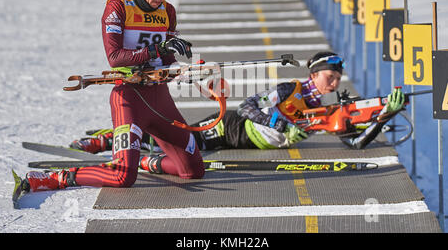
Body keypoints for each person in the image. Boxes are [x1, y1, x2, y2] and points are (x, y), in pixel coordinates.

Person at [17, 0, 205, 194]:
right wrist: (158, 48)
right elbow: (115, 57)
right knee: (123, 177)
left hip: (160, 101)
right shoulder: (117, 7)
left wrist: (188, 71)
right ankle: (59, 177)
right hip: (129, 99)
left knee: (193, 170)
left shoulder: (167, 11)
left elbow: (166, 61)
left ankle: (144, 161)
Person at [70, 52, 406, 153]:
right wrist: (278, 122)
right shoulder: (292, 89)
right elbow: (248, 107)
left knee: (177, 143)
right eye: (329, 76)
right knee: (180, 143)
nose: (334, 82)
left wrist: (383, 115)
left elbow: (356, 142)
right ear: (315, 75)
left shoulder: (325, 112)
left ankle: (116, 141)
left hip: (241, 140)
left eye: (336, 77)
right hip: (232, 129)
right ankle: (104, 140)